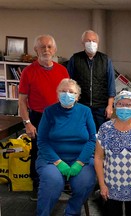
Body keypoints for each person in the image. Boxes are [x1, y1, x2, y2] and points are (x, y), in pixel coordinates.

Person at [18, 34, 70, 200]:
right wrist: (27, 123)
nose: (46, 50)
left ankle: (59, 184)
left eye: (49, 47)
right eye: (42, 47)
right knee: (39, 152)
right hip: (38, 118)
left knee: (60, 151)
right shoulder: (28, 72)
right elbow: (22, 101)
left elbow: (68, 95)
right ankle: (37, 186)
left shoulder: (62, 70)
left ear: (54, 49)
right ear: (36, 50)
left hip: (60, 117)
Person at [36, 78, 96, 216]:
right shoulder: (49, 112)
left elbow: (93, 139)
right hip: (51, 159)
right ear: (57, 94)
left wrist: (80, 162)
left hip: (81, 158)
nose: (67, 94)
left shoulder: (85, 111)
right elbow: (42, 140)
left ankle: (72, 212)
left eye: (71, 92)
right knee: (52, 182)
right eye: (63, 91)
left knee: (85, 183)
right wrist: (58, 162)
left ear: (77, 97)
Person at [94, 90, 131, 216]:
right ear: (114, 106)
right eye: (120, 104)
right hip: (110, 187)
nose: (124, 107)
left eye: (128, 104)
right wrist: (102, 185)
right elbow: (98, 158)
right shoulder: (105, 128)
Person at [67, 29, 116, 131]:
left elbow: (111, 85)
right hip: (80, 105)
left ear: (98, 43)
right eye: (88, 40)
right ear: (83, 43)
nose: (91, 43)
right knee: (81, 132)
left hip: (101, 107)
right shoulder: (75, 59)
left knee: (100, 134)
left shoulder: (106, 60)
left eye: (94, 41)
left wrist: (110, 106)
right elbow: (69, 83)